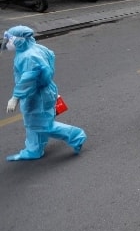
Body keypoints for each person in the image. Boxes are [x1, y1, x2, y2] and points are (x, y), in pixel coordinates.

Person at [3, 26, 86, 161]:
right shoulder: (36, 48)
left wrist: (15, 97)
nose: (8, 43)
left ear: (20, 40)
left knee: (43, 125)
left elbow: (27, 79)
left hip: (37, 95)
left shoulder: (28, 56)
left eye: (10, 39)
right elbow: (50, 58)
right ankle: (34, 149)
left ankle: (76, 135)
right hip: (43, 91)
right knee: (32, 123)